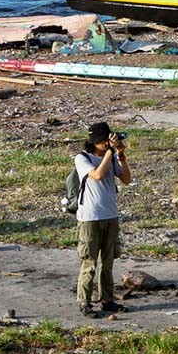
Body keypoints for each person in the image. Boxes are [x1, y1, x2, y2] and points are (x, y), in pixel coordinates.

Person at [74, 121, 132, 318]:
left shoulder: (112, 156)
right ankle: (85, 301)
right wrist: (110, 152)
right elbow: (97, 175)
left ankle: (107, 299)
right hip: (90, 218)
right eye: (105, 140)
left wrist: (120, 155)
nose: (108, 143)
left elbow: (126, 179)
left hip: (111, 215)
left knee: (108, 262)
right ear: (96, 141)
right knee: (89, 262)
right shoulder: (82, 158)